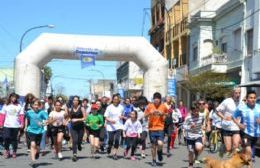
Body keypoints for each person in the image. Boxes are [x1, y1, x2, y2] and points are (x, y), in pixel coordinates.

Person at [233, 90, 260, 165]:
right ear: (247, 99)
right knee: (249, 151)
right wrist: (239, 124)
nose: (253, 99)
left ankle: (239, 155)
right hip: (245, 133)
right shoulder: (242, 107)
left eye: (254, 98)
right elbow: (233, 116)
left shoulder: (259, 107)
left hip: (256, 134)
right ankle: (249, 165)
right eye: (251, 98)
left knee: (247, 152)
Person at [144, 92, 168, 166]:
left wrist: (162, 114)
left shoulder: (163, 106)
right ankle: (154, 160)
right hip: (152, 128)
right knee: (153, 145)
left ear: (160, 100)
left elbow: (166, 115)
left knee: (160, 143)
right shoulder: (149, 106)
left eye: (158, 100)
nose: (156, 101)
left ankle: (159, 152)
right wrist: (149, 113)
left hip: (160, 127)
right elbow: (144, 116)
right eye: (155, 99)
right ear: (153, 99)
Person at [216, 87, 241, 157]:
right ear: (233, 93)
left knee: (236, 145)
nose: (238, 94)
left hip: (236, 127)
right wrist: (224, 117)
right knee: (228, 148)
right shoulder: (227, 101)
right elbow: (217, 111)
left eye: (239, 93)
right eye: (236, 93)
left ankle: (233, 164)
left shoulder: (241, 102)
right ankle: (224, 149)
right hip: (227, 127)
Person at [24, 99, 48, 167]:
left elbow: (48, 119)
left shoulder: (42, 112)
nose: (36, 106)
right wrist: (25, 126)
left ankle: (37, 152)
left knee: (37, 147)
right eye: (35, 105)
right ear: (32, 105)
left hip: (40, 131)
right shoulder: (29, 112)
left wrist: (43, 123)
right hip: (31, 130)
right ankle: (33, 160)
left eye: (37, 105)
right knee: (32, 144)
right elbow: (26, 118)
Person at [0, 93, 24, 159]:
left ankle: (14, 151)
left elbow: (21, 115)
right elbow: (2, 115)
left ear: (16, 98)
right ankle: (6, 150)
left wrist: (22, 123)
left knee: (14, 139)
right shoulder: (6, 105)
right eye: (12, 97)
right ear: (10, 97)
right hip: (7, 125)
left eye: (15, 97)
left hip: (16, 125)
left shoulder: (19, 106)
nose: (14, 98)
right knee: (6, 138)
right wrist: (1, 123)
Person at [104, 94, 124, 160]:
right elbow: (106, 117)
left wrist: (122, 117)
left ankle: (115, 153)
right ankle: (109, 147)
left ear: (119, 100)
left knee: (117, 140)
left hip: (119, 125)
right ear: (112, 100)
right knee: (111, 140)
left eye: (117, 99)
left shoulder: (121, 107)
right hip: (111, 126)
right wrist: (110, 120)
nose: (116, 100)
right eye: (114, 99)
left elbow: (122, 115)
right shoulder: (109, 107)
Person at [68, 96, 86, 162]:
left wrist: (77, 119)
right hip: (73, 127)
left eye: (76, 100)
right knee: (74, 140)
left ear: (78, 101)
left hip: (80, 127)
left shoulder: (82, 108)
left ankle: (79, 144)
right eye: (74, 100)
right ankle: (74, 154)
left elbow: (85, 118)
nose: (75, 101)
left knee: (79, 140)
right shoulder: (70, 109)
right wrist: (69, 119)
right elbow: (69, 117)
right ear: (72, 101)